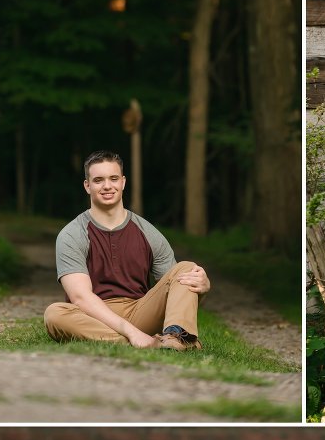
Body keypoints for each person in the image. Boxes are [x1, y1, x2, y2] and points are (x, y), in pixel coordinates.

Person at [44, 150, 209, 350]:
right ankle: (147, 343)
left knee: (186, 268)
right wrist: (131, 332)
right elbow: (81, 298)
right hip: (94, 317)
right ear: (87, 186)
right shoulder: (72, 234)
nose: (107, 186)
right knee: (54, 314)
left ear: (123, 182)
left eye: (113, 178)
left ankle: (179, 338)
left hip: (139, 311)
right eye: (98, 180)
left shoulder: (148, 232)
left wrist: (204, 287)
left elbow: (177, 290)